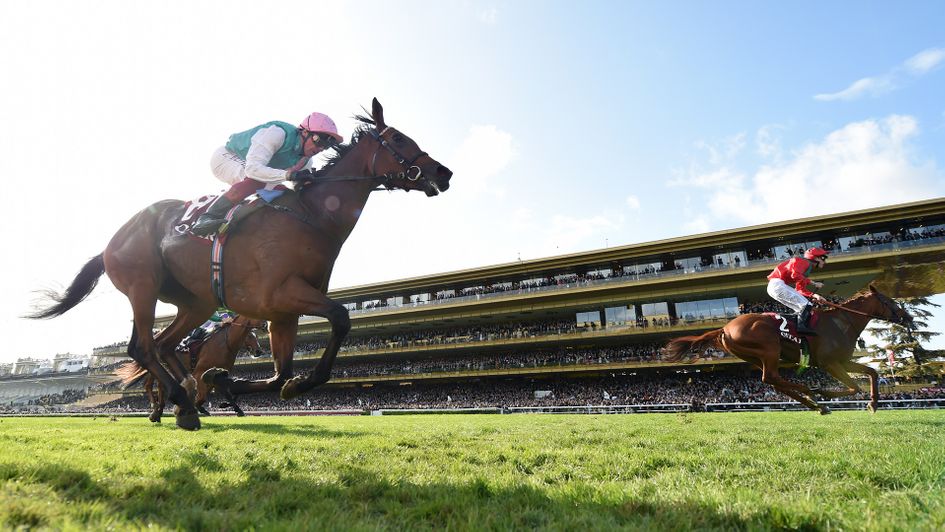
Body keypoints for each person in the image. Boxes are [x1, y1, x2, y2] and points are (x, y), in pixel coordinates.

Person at [190, 112, 344, 236]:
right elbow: (253, 169)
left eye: (326, 145)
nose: (320, 148)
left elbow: (299, 187)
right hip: (226, 157)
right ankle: (207, 218)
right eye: (319, 140)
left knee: (283, 193)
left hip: (254, 169)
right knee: (255, 181)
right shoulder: (278, 133)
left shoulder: (305, 161)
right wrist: (289, 176)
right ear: (304, 132)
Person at [766, 247, 828, 335]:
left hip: (775, 287)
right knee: (806, 305)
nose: (825, 261)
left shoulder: (806, 268)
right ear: (816, 258)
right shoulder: (804, 262)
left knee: (801, 309)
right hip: (777, 284)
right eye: (823, 258)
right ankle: (801, 329)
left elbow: (800, 289)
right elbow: (795, 275)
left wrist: (815, 295)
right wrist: (813, 283)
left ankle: (790, 329)